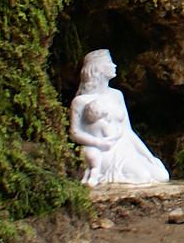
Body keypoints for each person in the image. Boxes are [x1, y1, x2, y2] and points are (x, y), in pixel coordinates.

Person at [69, 49, 169, 185]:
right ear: (98, 68)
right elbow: (75, 133)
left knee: (162, 175)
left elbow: (127, 131)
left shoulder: (117, 95)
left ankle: (128, 170)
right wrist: (98, 143)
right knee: (142, 177)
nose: (114, 65)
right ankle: (108, 176)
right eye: (110, 62)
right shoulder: (81, 101)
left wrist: (149, 156)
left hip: (124, 146)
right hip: (101, 151)